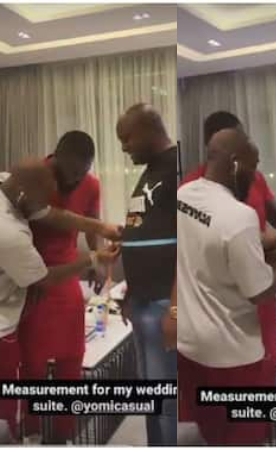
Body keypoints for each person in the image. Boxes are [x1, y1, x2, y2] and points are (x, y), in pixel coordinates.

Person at [175, 129, 276, 445]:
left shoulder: (183, 197)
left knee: (213, 434)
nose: (256, 174)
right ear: (236, 164)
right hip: (232, 354)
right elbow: (260, 292)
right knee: (243, 437)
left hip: (190, 345)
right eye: (254, 164)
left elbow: (218, 244)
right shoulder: (240, 216)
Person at [0, 161, 120, 439]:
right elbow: (45, 278)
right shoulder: (7, 233)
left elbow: (51, 215)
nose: (44, 207)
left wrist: (99, 227)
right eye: (41, 201)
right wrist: (94, 259)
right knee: (2, 410)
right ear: (24, 194)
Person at [18, 131, 106, 443]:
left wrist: (98, 259)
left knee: (72, 358)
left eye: (82, 173)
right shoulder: (36, 178)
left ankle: (63, 435)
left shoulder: (91, 185)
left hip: (67, 277)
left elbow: (93, 226)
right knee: (33, 364)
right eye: (70, 173)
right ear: (56, 157)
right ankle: (31, 432)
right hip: (33, 278)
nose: (75, 180)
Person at [116, 103, 177, 446]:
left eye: (127, 138)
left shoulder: (175, 167)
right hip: (142, 301)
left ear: (149, 129)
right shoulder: (151, 170)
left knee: (166, 400)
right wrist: (130, 292)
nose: (124, 147)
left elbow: (187, 245)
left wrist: (175, 309)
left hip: (163, 303)